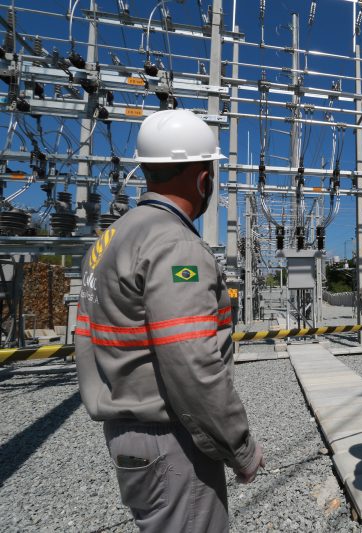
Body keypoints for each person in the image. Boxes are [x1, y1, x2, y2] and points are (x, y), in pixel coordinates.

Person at [76, 109, 264, 532]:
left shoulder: (110, 239)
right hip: (173, 442)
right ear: (202, 178)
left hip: (127, 433)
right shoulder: (175, 245)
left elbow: (85, 338)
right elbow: (192, 363)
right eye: (211, 173)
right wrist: (241, 447)